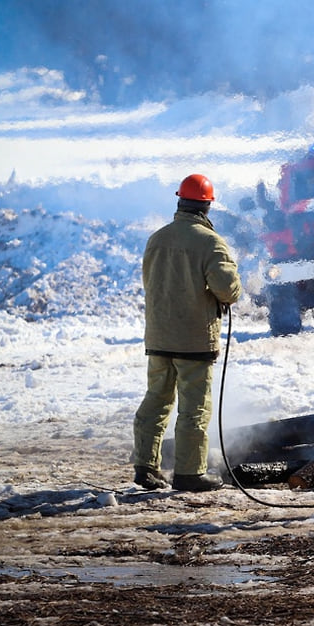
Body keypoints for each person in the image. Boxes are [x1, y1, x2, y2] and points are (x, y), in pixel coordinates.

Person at [132, 174, 242, 491]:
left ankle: (145, 466)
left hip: (159, 337)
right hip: (193, 339)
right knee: (194, 408)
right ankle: (189, 473)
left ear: (180, 201)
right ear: (207, 205)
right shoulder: (210, 242)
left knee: (156, 400)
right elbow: (227, 290)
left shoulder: (157, 238)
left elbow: (151, 283)